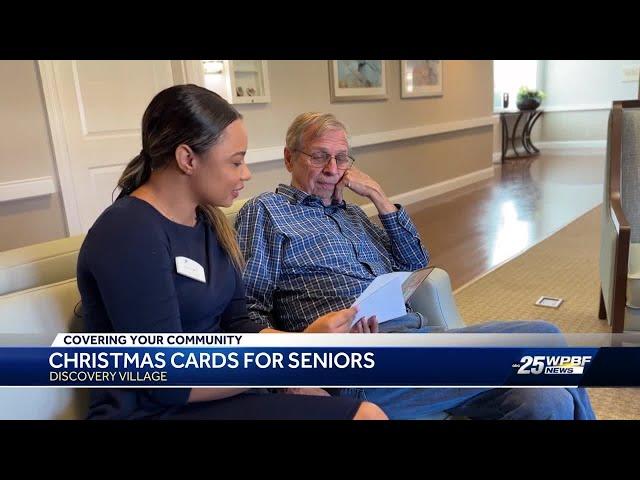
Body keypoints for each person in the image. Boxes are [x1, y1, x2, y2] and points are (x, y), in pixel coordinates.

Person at [235, 112, 597, 420]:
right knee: (542, 334)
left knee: (548, 400)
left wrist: (380, 198)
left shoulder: (353, 216)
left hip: (417, 339)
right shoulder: (266, 212)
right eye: (319, 157)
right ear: (288, 158)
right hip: (355, 365)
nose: (332, 170)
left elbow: (416, 266)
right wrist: (294, 376)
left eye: (342, 159)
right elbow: (247, 310)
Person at [76, 86, 386, 420]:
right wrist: (297, 356)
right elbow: (167, 381)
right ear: (187, 159)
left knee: (366, 411)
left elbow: (241, 326)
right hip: (154, 410)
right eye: (236, 162)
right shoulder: (129, 230)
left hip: (222, 392)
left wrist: (309, 342)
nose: (246, 173)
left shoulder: (208, 223)